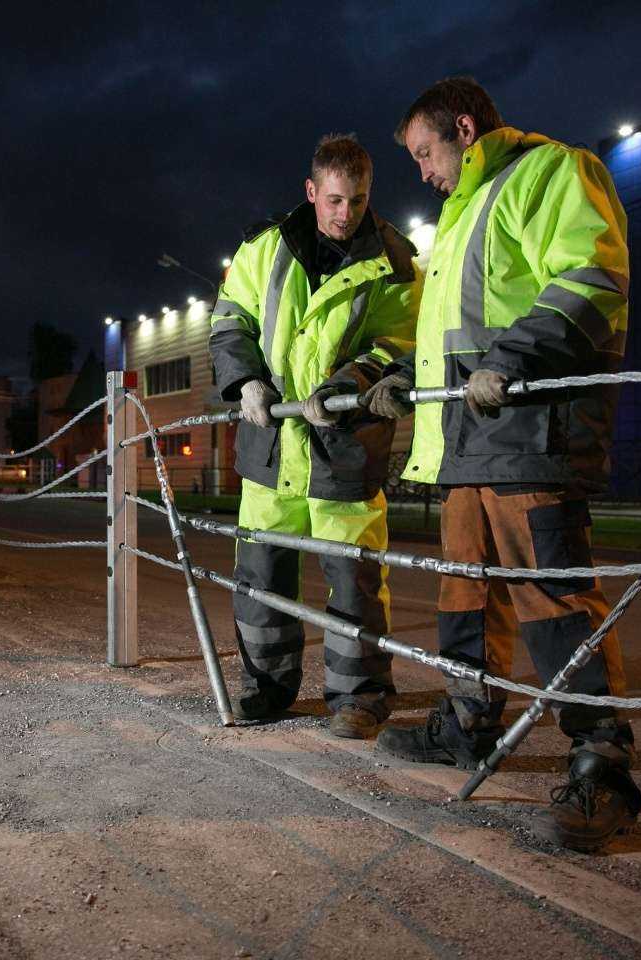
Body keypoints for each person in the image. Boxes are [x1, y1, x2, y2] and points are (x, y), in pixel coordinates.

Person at [362, 78, 641, 851]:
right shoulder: (457, 217)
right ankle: (467, 720)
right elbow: (444, 333)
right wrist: (402, 382)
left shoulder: (554, 173)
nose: (422, 171)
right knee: (465, 589)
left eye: (425, 152)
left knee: (550, 593)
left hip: (529, 430)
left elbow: (593, 278)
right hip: (466, 438)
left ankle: (601, 761)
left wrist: (513, 361)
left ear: (462, 127)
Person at [208, 134, 422, 739]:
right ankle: (266, 689)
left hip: (346, 446)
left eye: (356, 200)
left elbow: (402, 344)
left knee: (354, 582)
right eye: (333, 200)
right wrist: (244, 381)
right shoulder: (263, 250)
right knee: (260, 581)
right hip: (272, 445)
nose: (345, 214)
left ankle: (359, 699)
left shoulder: (396, 261)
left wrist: (352, 380)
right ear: (311, 191)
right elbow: (230, 320)